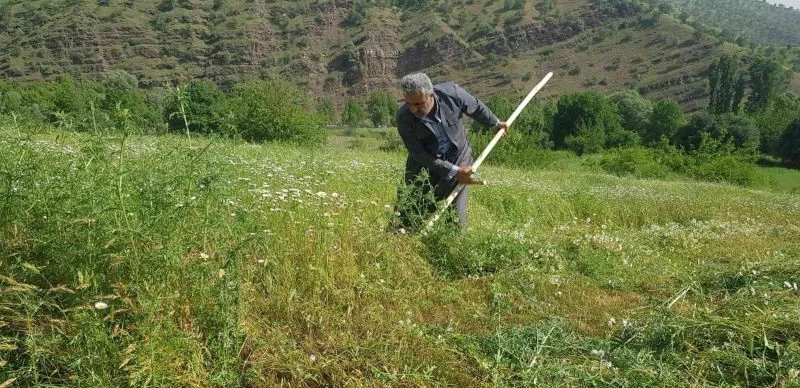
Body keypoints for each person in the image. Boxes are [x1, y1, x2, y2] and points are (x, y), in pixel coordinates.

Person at [390, 72, 508, 231]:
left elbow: (476, 107)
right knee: (408, 208)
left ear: (431, 95)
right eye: (409, 104)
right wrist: (453, 171)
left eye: (418, 104)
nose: (413, 110)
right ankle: (398, 240)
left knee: (455, 216)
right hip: (424, 163)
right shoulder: (404, 117)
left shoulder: (452, 93)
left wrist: (494, 123)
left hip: (459, 157)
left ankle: (453, 245)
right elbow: (419, 154)